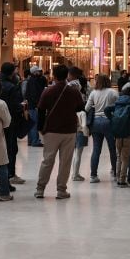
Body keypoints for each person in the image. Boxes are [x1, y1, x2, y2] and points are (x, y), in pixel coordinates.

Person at [35, 64, 85, 199]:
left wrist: (40, 128)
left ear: (54, 76)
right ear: (67, 75)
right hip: (69, 130)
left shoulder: (48, 91)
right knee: (65, 162)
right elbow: (81, 108)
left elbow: (40, 111)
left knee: (47, 160)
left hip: (51, 130)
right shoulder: (74, 92)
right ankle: (61, 190)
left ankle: (40, 189)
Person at [0, 62, 26, 184]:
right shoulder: (11, 87)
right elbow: (14, 105)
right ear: (11, 72)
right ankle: (10, 174)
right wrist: (21, 106)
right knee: (11, 148)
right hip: (9, 121)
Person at [85, 74, 119, 182]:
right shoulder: (112, 92)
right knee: (112, 148)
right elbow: (119, 105)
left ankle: (93, 175)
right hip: (108, 121)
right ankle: (114, 171)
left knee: (96, 149)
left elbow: (86, 108)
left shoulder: (93, 93)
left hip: (95, 122)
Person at [109, 83, 130, 186]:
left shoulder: (117, 103)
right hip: (128, 133)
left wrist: (111, 119)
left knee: (118, 156)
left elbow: (106, 109)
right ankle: (122, 180)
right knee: (125, 157)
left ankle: (117, 177)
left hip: (117, 133)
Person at [23, 65, 47, 147]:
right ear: (34, 72)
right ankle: (35, 141)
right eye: (38, 71)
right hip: (33, 105)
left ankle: (30, 140)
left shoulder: (32, 80)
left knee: (31, 122)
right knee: (34, 123)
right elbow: (34, 94)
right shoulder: (33, 81)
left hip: (31, 105)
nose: (39, 73)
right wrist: (37, 104)